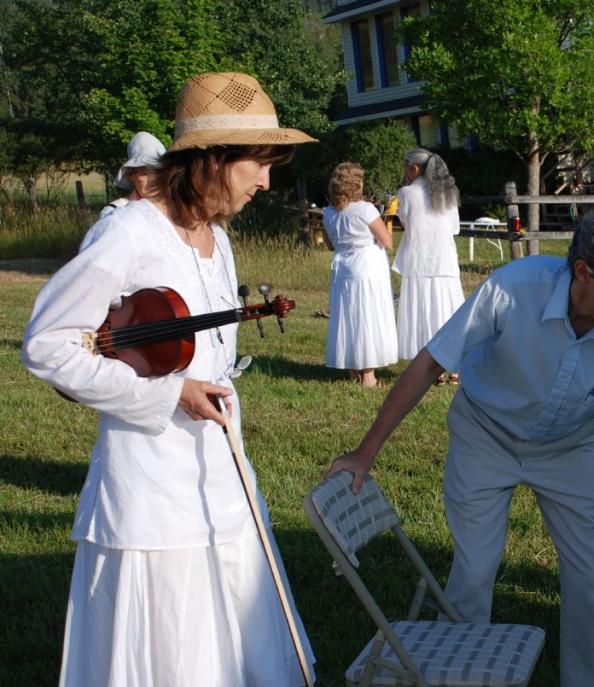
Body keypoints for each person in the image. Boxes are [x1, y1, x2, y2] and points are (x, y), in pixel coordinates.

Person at [329, 197, 594, 687]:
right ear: (584, 272)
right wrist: (365, 452)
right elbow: (431, 362)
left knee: (589, 580)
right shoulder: (513, 289)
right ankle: (456, 675)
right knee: (474, 573)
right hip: (484, 435)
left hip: (570, 448)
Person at [21, 72, 317, 686]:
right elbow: (47, 344)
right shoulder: (129, 232)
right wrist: (166, 393)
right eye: (259, 163)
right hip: (151, 488)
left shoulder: (218, 238)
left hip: (224, 474)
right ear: (213, 159)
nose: (267, 181)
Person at [323, 162, 398, 387]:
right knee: (367, 318)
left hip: (343, 270)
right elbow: (387, 241)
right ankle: (368, 376)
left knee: (348, 317)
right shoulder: (365, 209)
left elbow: (330, 244)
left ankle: (353, 372)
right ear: (356, 184)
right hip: (367, 268)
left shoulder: (328, 212)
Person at [393, 147, 464, 384]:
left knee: (424, 312)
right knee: (448, 312)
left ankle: (434, 370)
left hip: (420, 261)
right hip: (445, 261)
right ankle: (455, 368)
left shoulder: (406, 193)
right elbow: (455, 228)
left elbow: (406, 223)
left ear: (414, 169)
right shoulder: (448, 193)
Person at [79, 132, 167, 252]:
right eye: (144, 174)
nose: (153, 180)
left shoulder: (176, 210)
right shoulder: (114, 213)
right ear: (131, 175)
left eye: (158, 172)